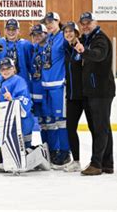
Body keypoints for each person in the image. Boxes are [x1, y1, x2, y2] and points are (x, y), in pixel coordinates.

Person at [73, 12, 115, 176]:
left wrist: (85, 51)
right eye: (82, 23)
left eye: (88, 23)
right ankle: (107, 163)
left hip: (101, 91)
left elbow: (99, 55)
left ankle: (96, 164)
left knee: (99, 128)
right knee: (103, 127)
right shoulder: (88, 38)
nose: (85, 26)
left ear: (95, 22)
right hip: (93, 90)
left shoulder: (100, 39)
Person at [41, 12, 71, 168]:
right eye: (46, 23)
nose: (48, 25)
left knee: (62, 121)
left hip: (59, 84)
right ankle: (54, 151)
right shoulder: (49, 39)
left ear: (58, 21)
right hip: (46, 85)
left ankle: (66, 152)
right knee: (50, 122)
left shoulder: (64, 37)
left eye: (51, 22)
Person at [0, 58, 35, 148]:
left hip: (18, 119)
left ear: (13, 68)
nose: (6, 71)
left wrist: (12, 99)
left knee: (23, 144)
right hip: (2, 117)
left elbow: (25, 99)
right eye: (3, 69)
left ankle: (27, 150)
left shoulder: (19, 80)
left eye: (8, 68)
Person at [62, 21, 84, 172]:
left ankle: (99, 160)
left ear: (76, 33)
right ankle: (76, 161)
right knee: (70, 128)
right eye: (66, 32)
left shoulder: (82, 47)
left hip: (86, 96)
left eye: (71, 31)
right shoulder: (67, 49)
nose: (68, 34)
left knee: (96, 129)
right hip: (71, 96)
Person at [29, 24, 52, 152]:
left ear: (46, 33)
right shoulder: (35, 48)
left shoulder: (50, 47)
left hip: (47, 90)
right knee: (42, 123)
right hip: (36, 90)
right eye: (34, 35)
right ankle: (46, 148)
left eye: (40, 34)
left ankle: (56, 149)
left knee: (51, 122)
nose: (37, 37)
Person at [0, 19, 33, 87]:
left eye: (14, 29)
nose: (11, 32)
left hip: (21, 82)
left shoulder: (26, 45)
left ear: (18, 30)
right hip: (2, 82)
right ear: (5, 30)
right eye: (9, 29)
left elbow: (30, 64)